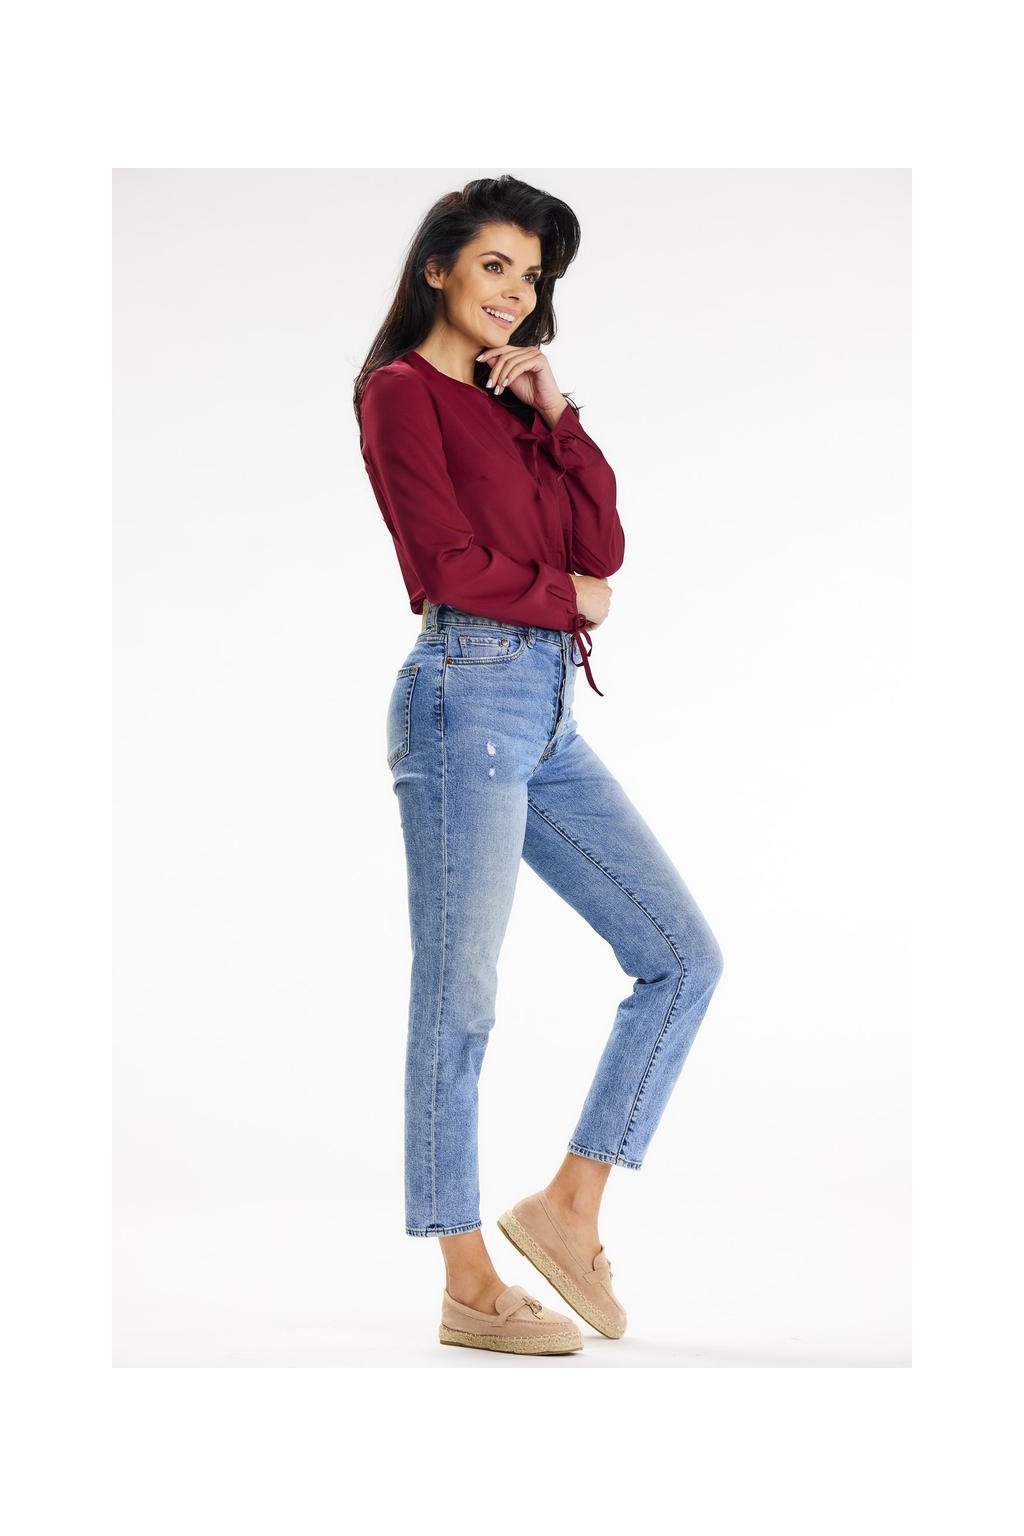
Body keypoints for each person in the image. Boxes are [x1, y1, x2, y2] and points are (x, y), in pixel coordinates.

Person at [354, 175, 724, 1355]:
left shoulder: (512, 403)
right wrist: (572, 599)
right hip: (462, 696)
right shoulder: (400, 394)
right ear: (438, 268)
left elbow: (601, 542)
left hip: (547, 712)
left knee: (681, 956)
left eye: (532, 276)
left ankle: (569, 1206)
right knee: (459, 996)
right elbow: (446, 564)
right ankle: (466, 1280)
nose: (515, 293)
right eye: (495, 265)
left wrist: (555, 411)